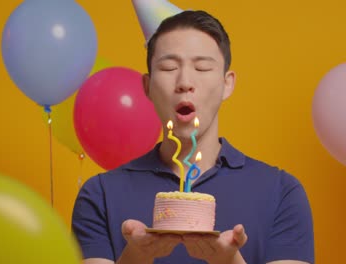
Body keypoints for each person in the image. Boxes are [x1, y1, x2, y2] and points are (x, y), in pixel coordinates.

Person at [72, 9, 314, 264]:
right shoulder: (100, 194)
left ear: (227, 84)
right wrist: (136, 256)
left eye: (202, 67)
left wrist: (229, 261)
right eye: (168, 67)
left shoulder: (281, 192)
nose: (185, 81)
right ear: (147, 86)